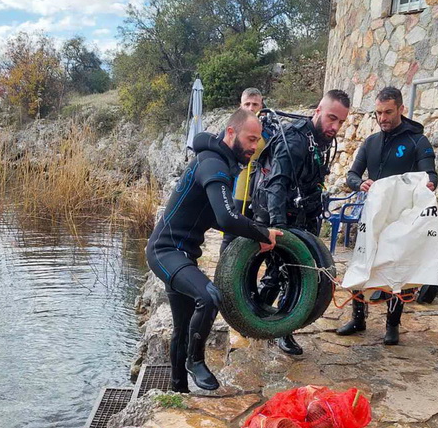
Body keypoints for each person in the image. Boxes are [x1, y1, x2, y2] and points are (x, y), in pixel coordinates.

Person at [147, 108, 281, 392]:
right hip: (165, 251)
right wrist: (261, 232)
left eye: (258, 141)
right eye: (251, 138)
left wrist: (252, 239)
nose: (255, 147)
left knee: (182, 328)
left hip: (184, 254)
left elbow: (227, 216)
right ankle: (195, 361)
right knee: (208, 297)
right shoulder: (211, 162)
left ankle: (177, 390)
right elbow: (226, 218)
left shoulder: (226, 164)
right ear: (231, 132)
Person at [252, 89, 351, 355]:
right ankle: (263, 324)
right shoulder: (295, 139)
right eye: (331, 118)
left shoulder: (321, 139)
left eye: (341, 122)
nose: (335, 127)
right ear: (318, 110)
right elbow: (276, 184)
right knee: (280, 271)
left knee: (295, 273)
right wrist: (278, 229)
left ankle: (274, 324)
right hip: (279, 215)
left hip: (304, 215)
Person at [336, 86, 438, 345]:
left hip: (402, 220)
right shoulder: (371, 142)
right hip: (372, 216)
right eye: (379, 113)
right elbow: (352, 175)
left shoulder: (417, 141)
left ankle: (392, 325)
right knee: (361, 263)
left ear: (401, 109)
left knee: (396, 270)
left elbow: (431, 176)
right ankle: (358, 319)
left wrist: (428, 185)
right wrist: (361, 183)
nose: (383, 118)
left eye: (388, 112)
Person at [220, 88, 274, 252]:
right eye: (247, 104)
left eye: (255, 104)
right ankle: (223, 273)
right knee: (230, 237)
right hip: (237, 191)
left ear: (261, 106)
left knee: (255, 240)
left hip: (259, 195)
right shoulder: (231, 131)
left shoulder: (269, 132)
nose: (251, 108)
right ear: (240, 106)